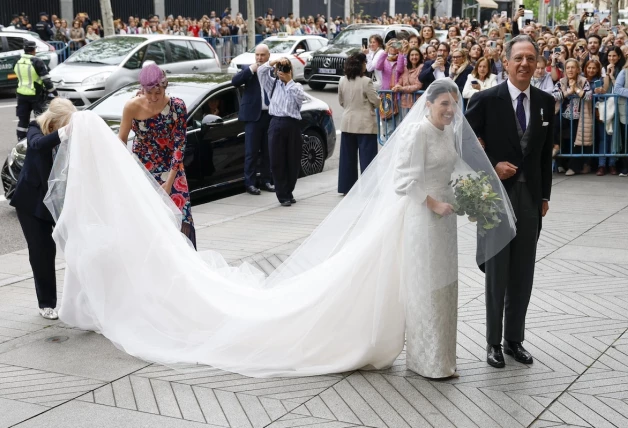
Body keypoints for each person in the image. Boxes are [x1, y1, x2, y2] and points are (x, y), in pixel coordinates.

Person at [44, 79, 515, 378]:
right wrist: (435, 198)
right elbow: (405, 179)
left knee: (422, 283)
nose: (451, 111)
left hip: (436, 220)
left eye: (455, 104)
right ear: (431, 105)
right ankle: (421, 353)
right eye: (446, 104)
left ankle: (434, 354)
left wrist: (465, 195)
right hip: (418, 215)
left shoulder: (446, 133)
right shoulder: (416, 132)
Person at [466, 35, 555, 369]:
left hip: (530, 197)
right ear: (506, 61)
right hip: (494, 197)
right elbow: (464, 144)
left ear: (538, 63)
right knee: (497, 271)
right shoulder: (486, 99)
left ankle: (514, 339)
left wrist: (544, 195)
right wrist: (492, 165)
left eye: (531, 58)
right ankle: (492, 343)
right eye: (518, 58)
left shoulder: (547, 102)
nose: (524, 64)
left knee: (523, 271)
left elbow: (545, 153)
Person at [10, 98, 76, 320]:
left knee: (79, 249)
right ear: (54, 121)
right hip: (33, 204)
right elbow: (38, 145)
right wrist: (63, 132)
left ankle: (83, 302)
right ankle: (47, 303)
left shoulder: (71, 135)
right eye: (63, 123)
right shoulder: (34, 128)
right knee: (42, 253)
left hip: (61, 201)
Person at [118, 64, 197, 248]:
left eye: (158, 92)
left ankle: (187, 264)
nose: (154, 97)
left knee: (181, 217)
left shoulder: (177, 106)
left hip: (172, 167)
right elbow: (121, 140)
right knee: (148, 221)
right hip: (142, 169)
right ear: (142, 89)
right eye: (149, 92)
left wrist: (169, 184)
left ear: (165, 87)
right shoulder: (131, 106)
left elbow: (180, 145)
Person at [256, 58, 307, 206]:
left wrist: (289, 81)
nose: (282, 72)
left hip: (292, 124)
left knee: (293, 160)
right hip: (276, 123)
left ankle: (289, 191)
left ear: (290, 71)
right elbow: (260, 71)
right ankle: (282, 195)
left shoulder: (296, 86)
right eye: (280, 69)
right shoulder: (272, 84)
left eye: (285, 69)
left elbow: (300, 98)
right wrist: (274, 61)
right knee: (277, 161)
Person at [231, 44, 275, 196]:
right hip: (253, 117)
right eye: (257, 55)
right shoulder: (248, 69)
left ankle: (266, 180)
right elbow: (234, 81)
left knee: (267, 151)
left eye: (262, 55)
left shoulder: (272, 70)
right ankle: (250, 183)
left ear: (268, 56)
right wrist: (251, 69)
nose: (259, 58)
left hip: (268, 115)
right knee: (251, 152)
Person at [337, 53, 380, 194]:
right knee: (368, 159)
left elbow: (341, 101)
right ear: (361, 64)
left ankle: (346, 187)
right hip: (365, 123)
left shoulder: (342, 80)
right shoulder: (366, 81)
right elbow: (375, 100)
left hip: (348, 122)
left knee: (347, 159)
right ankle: (369, 189)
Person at [14, 40, 57, 142]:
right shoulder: (37, 61)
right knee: (40, 119)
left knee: (22, 121)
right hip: (36, 95)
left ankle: (21, 140)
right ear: (34, 50)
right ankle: (40, 139)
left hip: (21, 95)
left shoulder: (18, 61)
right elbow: (46, 80)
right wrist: (55, 94)